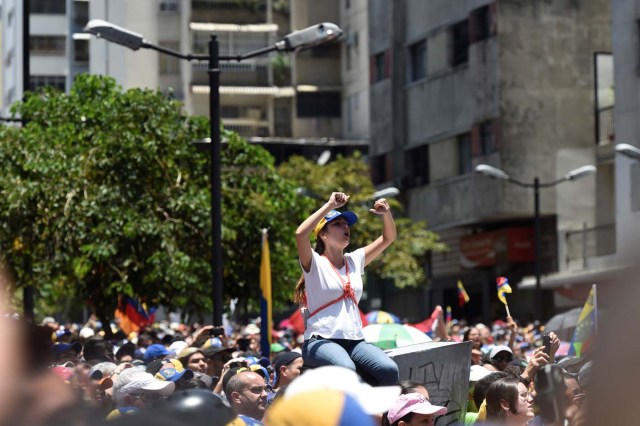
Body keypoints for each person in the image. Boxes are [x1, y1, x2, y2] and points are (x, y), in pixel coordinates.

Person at [294, 192, 399, 385]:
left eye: (346, 224)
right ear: (323, 234)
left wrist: (386, 214)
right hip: (320, 340)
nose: (345, 227)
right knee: (347, 370)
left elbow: (388, 238)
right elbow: (300, 234)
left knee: (389, 370)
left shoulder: (354, 260)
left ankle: (382, 415)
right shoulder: (314, 263)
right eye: (337, 224)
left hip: (355, 341)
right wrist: (329, 206)